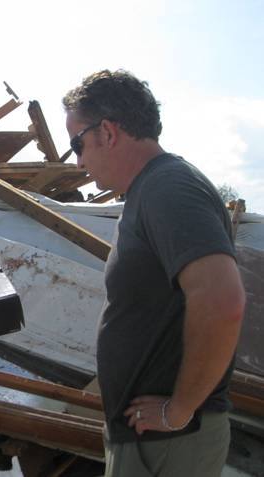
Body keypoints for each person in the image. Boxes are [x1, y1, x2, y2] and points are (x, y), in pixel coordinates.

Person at [62, 70, 245, 477]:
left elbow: (222, 302)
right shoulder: (151, 190)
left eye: (77, 143)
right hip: (154, 440)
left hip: (171, 443)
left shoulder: (168, 187)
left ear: (107, 132)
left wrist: (178, 410)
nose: (78, 160)